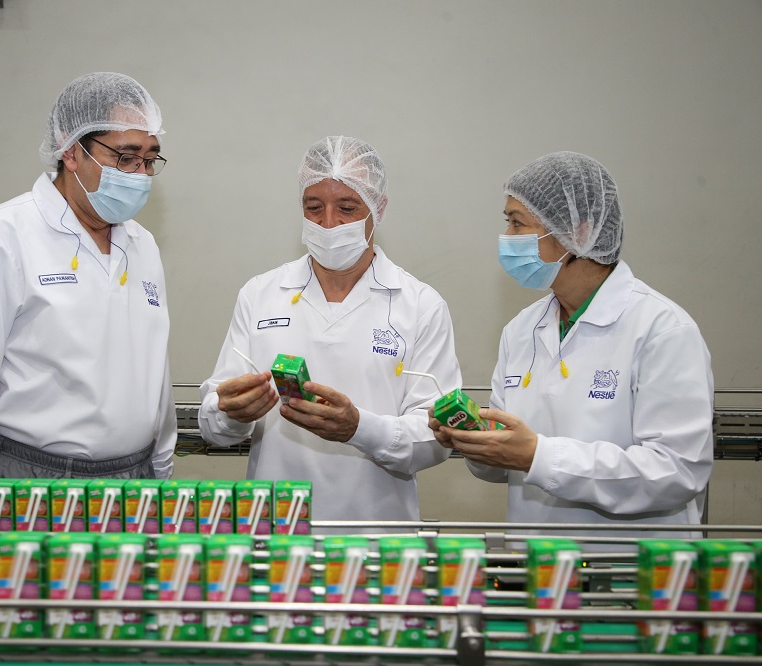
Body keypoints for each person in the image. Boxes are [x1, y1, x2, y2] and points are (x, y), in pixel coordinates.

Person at [429, 151, 713, 538]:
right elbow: (504, 466)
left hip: (630, 564)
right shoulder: (522, 330)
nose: (507, 238)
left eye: (517, 223)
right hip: (536, 562)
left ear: (578, 233)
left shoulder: (662, 329)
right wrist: (472, 439)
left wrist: (539, 456)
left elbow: (676, 472)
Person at [0, 72, 175, 480]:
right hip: (34, 474)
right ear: (71, 152)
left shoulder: (142, 245)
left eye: (149, 159)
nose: (140, 174)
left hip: (134, 474)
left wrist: (160, 465)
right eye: (125, 157)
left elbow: (154, 368)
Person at [199, 136, 461, 529]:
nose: (328, 223)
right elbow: (214, 423)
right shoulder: (261, 294)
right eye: (314, 207)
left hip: (377, 534)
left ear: (378, 209)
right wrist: (230, 414)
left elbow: (436, 437)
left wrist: (359, 428)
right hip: (278, 530)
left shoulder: (420, 305)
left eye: (347, 208)